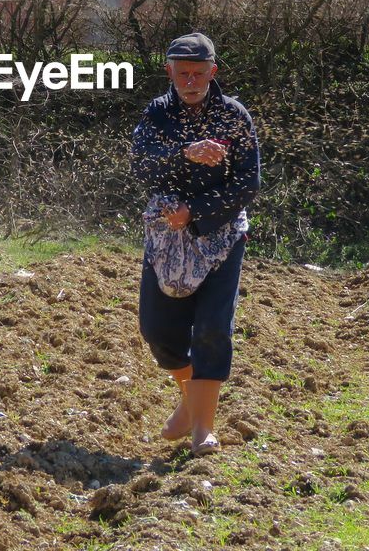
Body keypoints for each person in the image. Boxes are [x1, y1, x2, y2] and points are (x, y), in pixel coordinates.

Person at [130, 32, 260, 456]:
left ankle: (203, 428)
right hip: (166, 232)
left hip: (221, 234)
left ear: (213, 72)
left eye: (198, 73)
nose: (190, 80)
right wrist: (184, 153)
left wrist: (199, 213)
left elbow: (248, 182)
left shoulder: (234, 116)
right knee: (158, 331)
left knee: (211, 329)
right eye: (182, 73)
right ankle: (189, 400)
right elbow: (141, 164)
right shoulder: (157, 114)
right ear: (169, 72)